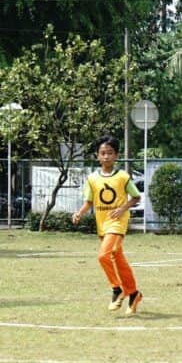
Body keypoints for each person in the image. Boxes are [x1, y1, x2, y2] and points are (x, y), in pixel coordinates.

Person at [71, 135, 143, 315]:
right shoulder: (92, 178)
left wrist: (122, 208)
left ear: (116, 155)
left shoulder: (122, 177)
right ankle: (134, 293)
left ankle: (117, 288)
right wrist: (79, 213)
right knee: (118, 259)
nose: (106, 157)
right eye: (102, 153)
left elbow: (136, 197)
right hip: (102, 223)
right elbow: (88, 201)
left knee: (104, 255)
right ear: (97, 155)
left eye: (110, 153)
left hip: (118, 223)